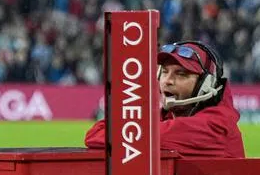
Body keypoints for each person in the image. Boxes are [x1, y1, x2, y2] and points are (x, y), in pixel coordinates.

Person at [84, 41, 245, 158]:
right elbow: (96, 133)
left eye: (181, 74)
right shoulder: (167, 117)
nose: (167, 80)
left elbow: (102, 135)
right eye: (165, 72)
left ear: (206, 84)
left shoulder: (214, 127)